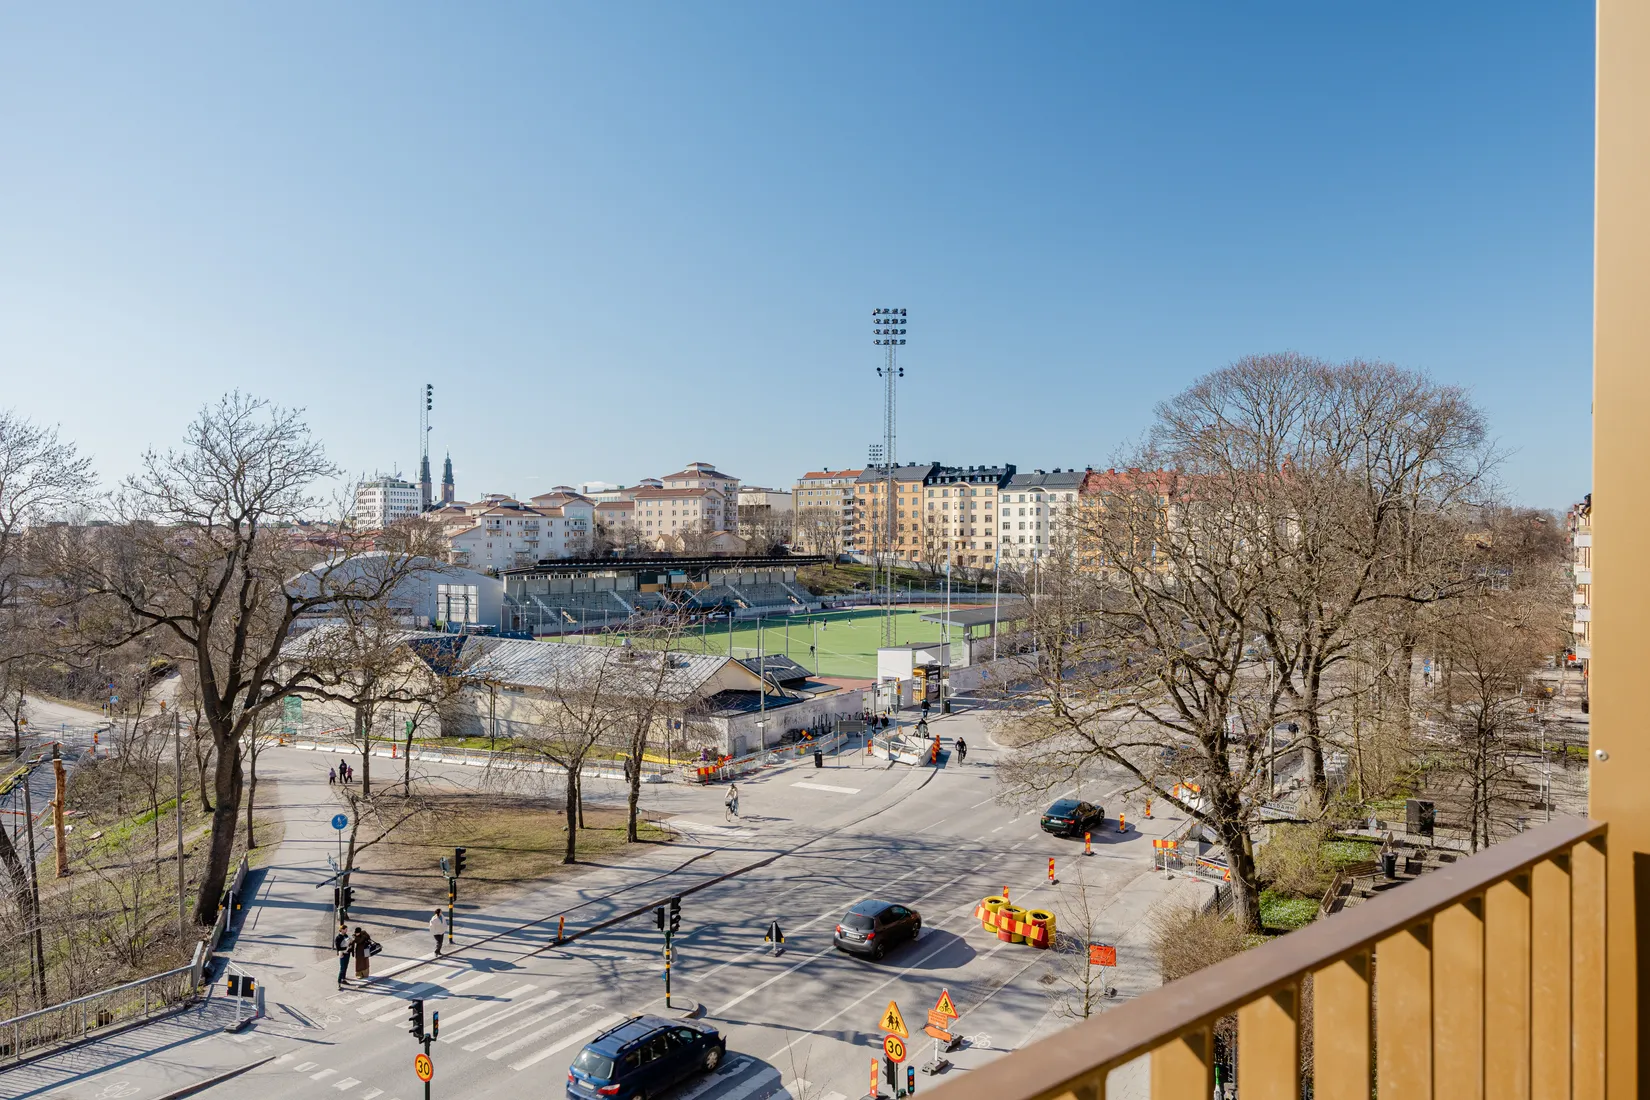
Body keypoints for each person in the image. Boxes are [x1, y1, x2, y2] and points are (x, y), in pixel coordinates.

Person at [334, 923, 352, 987]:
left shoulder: (346, 935)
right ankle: (339, 982)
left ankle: (343, 979)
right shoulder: (338, 938)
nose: (346, 931)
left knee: (346, 966)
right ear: (341, 930)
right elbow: (338, 948)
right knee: (342, 968)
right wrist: (346, 947)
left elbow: (349, 943)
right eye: (345, 930)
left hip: (347, 953)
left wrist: (350, 944)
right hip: (342, 954)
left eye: (346, 929)